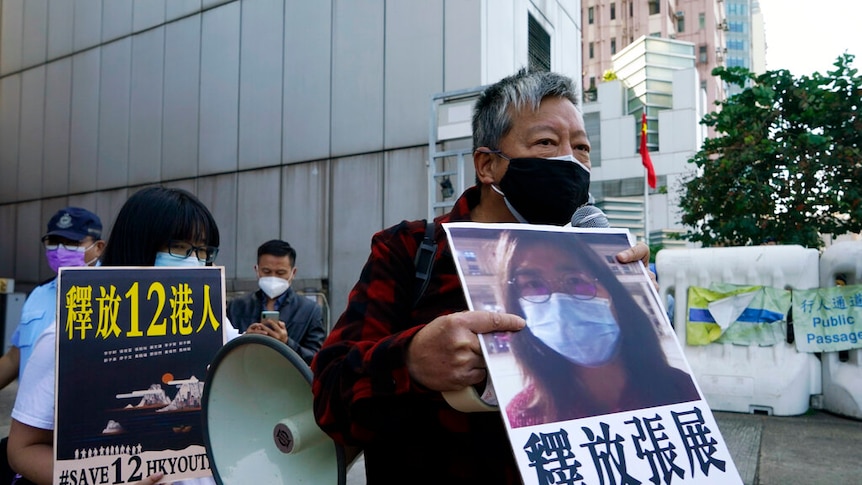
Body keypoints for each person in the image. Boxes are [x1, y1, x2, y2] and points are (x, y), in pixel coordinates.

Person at [311, 68, 654, 482]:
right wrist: (411, 361)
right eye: (547, 142)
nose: (570, 159)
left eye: (580, 147)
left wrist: (641, 312)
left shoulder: (598, 262)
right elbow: (330, 396)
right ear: (488, 165)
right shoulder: (410, 250)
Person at [8, 187, 236, 485]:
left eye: (203, 250)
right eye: (178, 247)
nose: (194, 260)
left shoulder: (217, 325)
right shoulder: (69, 337)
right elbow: (23, 449)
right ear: (137, 244)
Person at [494, 230, 700, 427]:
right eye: (532, 284)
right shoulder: (523, 414)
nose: (558, 305)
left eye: (575, 280)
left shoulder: (678, 388)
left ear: (613, 293)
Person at [0, 207, 105, 390]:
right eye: (54, 242)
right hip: (28, 414)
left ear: (98, 248)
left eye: (72, 242)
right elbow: (15, 357)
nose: (59, 250)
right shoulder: (39, 293)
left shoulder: (117, 294)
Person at [227, 239, 325, 365]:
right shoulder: (237, 306)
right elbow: (224, 349)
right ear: (257, 270)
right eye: (266, 272)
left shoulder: (310, 311)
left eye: (280, 273)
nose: (273, 277)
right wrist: (244, 338)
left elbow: (317, 360)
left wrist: (287, 343)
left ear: (293, 273)